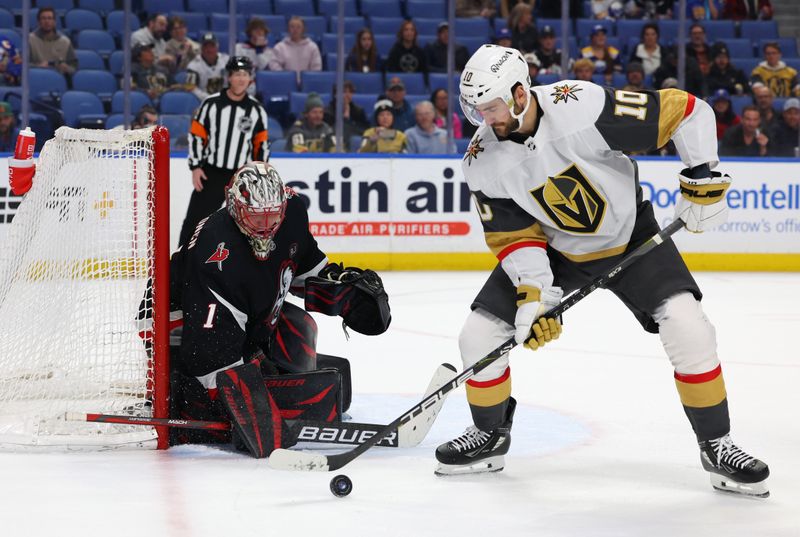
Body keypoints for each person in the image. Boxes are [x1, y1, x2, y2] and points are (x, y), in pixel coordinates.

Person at [437, 44, 770, 499]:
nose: (482, 119)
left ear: (519, 93)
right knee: (477, 335)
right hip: (557, 249)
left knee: (690, 327)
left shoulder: (580, 105)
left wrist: (702, 180)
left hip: (632, 233)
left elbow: (687, 112)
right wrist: (535, 299)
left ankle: (717, 444)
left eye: (491, 107)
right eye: (475, 109)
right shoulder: (481, 162)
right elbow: (516, 239)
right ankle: (489, 435)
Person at [167, 160, 390, 456]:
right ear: (234, 207)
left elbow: (297, 268)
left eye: (273, 216)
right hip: (176, 324)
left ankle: (251, 373)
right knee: (216, 384)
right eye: (256, 218)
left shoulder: (292, 213)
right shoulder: (217, 251)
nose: (266, 227)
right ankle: (193, 403)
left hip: (236, 320)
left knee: (300, 327)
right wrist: (251, 412)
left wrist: (343, 292)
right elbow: (208, 352)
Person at [180, 56, 269, 248]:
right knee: (194, 222)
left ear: (250, 79)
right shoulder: (210, 104)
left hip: (241, 177)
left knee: (247, 225)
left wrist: (259, 176)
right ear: (229, 77)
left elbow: (261, 145)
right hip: (212, 172)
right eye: (237, 74)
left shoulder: (256, 110)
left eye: (245, 74)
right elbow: (197, 135)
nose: (241, 79)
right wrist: (195, 166)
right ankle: (180, 264)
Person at [28, 7, 77, 77]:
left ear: (54, 22)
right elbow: (23, 64)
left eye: (49, 18)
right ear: (39, 22)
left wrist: (66, 68)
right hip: (36, 77)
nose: (47, 21)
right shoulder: (29, 39)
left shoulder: (65, 42)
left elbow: (74, 67)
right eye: (44, 18)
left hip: (58, 79)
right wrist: (37, 66)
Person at [323, 81, 369, 151]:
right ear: (335, 94)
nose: (347, 95)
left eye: (350, 92)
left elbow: (365, 130)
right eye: (344, 92)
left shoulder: (358, 111)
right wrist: (344, 118)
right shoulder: (328, 112)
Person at [186, 33, 229, 101]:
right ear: (201, 48)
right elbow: (190, 88)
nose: (209, 50)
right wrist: (208, 98)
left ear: (217, 47)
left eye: (212, 46)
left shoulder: (226, 60)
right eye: (206, 46)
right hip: (203, 101)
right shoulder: (193, 66)